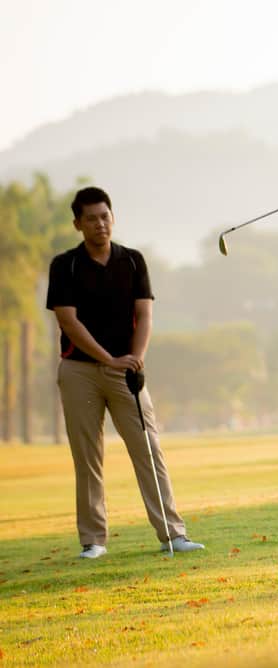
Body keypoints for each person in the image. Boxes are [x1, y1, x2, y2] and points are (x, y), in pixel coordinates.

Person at [46, 186, 204, 559]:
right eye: (91, 219)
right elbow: (69, 322)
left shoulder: (132, 261)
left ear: (112, 218)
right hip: (78, 371)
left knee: (149, 449)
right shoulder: (65, 265)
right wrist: (108, 358)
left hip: (125, 370)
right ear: (78, 224)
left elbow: (145, 315)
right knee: (88, 458)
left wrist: (134, 358)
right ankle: (94, 541)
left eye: (105, 216)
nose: (100, 224)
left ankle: (172, 534)